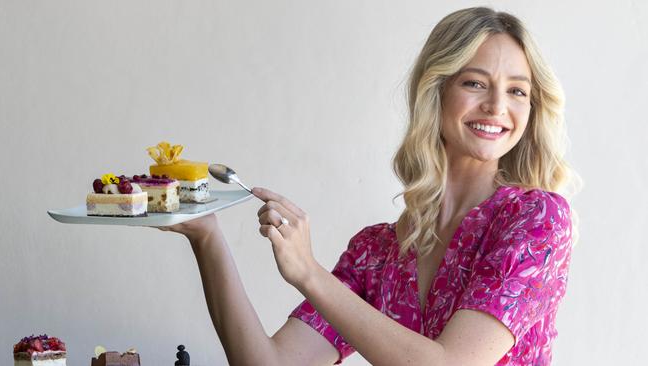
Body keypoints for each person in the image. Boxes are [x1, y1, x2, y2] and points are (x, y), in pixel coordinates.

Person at [159, 6, 580, 366]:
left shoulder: (536, 220)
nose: (497, 106)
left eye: (517, 91)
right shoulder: (376, 253)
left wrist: (308, 273)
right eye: (474, 83)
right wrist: (206, 236)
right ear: (437, 91)